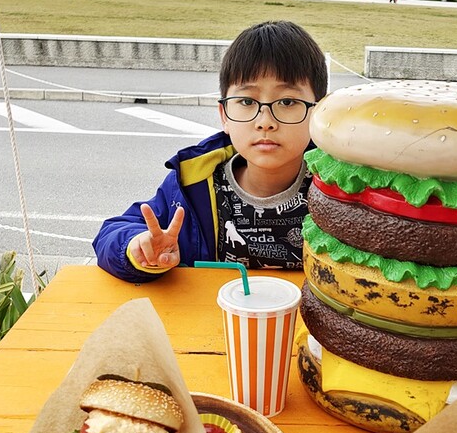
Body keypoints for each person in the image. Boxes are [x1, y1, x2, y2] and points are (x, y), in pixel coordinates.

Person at [93, 20, 328, 282]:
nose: (265, 121)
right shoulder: (194, 181)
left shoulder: (340, 186)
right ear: (224, 115)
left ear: (319, 112)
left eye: (287, 101)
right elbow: (112, 232)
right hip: (215, 318)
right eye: (247, 101)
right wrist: (139, 249)